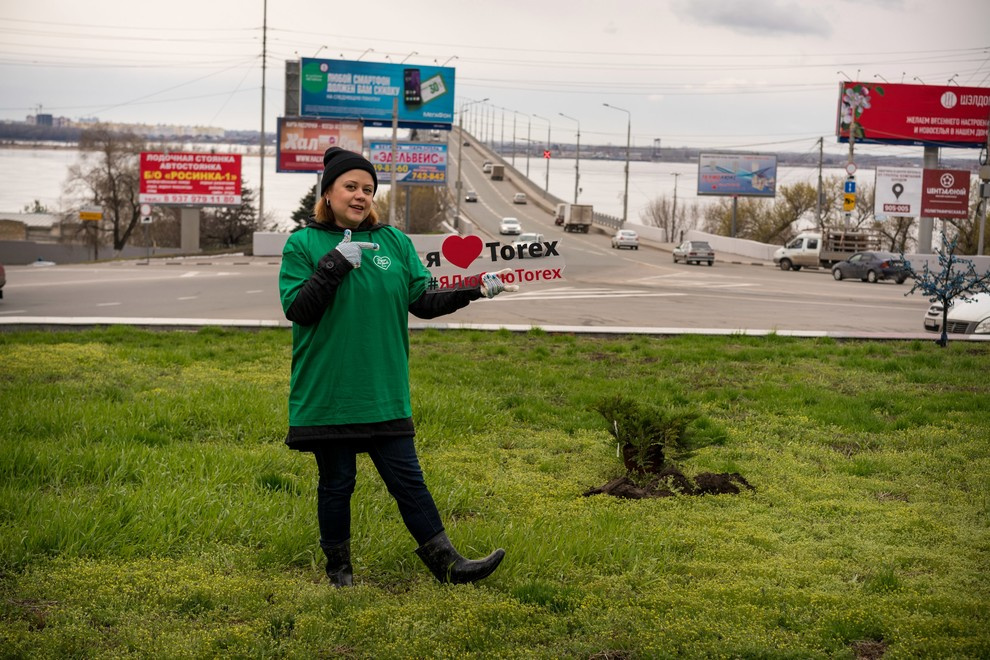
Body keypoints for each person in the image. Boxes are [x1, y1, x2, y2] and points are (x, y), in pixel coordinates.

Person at [279, 146, 517, 587]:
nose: (360, 196)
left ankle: (448, 564)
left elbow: (422, 301)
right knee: (337, 482)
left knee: (408, 478)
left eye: (368, 189)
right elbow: (299, 309)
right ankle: (339, 571)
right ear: (327, 192)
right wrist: (333, 264)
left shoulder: (393, 242)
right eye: (350, 187)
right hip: (330, 391)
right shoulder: (303, 244)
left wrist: (473, 289)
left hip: (383, 387)